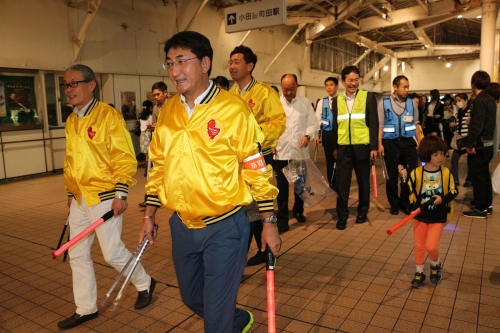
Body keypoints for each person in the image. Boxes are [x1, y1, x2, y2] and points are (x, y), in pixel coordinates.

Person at [138, 31, 280, 333]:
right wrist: (149, 215)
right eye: (169, 63)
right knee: (192, 298)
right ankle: (237, 319)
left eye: (181, 61)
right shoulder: (168, 112)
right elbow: (159, 164)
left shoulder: (233, 109)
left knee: (215, 321)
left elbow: (255, 167)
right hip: (183, 225)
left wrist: (269, 220)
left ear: (204, 63)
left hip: (226, 226)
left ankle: (225, 321)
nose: (175, 71)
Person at [59, 64, 155, 329]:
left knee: (111, 253)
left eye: (74, 83)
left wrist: (121, 193)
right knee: (77, 253)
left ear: (91, 84)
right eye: (66, 85)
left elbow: (123, 156)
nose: (69, 90)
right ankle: (85, 307)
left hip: (105, 196)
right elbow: (70, 159)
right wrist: (70, 190)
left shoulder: (108, 116)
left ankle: (145, 282)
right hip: (80, 199)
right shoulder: (71, 120)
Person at [228, 45, 286, 265]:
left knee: (262, 205)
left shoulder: (264, 92)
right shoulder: (230, 95)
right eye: (230, 62)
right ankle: (258, 247)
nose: (232, 66)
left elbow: (279, 122)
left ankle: (268, 248)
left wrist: (254, 135)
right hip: (237, 161)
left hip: (260, 157)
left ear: (249, 66)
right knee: (246, 207)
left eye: (237, 62)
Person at [399, 135, 458, 288]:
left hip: (438, 216)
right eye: (436, 154)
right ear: (426, 154)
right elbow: (407, 193)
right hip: (419, 216)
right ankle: (419, 272)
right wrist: (404, 178)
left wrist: (442, 199)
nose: (440, 157)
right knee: (419, 246)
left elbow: (454, 191)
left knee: (431, 246)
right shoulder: (417, 173)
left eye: (442, 153)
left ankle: (435, 264)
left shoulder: (446, 173)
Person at [330, 66, 378, 230]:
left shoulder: (368, 97)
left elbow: (373, 123)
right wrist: (335, 147)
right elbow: (335, 125)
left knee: (364, 183)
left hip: (362, 146)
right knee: (342, 184)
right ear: (343, 81)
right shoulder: (337, 100)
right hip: (344, 148)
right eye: (350, 80)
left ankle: (362, 213)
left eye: (356, 79)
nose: (354, 83)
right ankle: (342, 217)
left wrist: (374, 146)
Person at [274, 74, 318, 233]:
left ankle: (298, 210)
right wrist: (271, 142)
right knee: (282, 188)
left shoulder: (305, 103)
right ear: (281, 86)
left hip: (299, 152)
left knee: (300, 185)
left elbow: (313, 124)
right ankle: (283, 220)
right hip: (281, 152)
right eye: (285, 89)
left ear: (297, 86)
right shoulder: (275, 103)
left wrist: (307, 136)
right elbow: (270, 126)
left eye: (291, 89)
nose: (288, 92)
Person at [378, 75, 420, 216]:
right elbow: (380, 126)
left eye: (408, 87)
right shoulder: (384, 103)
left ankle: (406, 203)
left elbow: (416, 124)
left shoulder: (412, 103)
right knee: (392, 176)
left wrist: (419, 143)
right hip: (390, 143)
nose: (407, 90)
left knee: (411, 174)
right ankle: (394, 204)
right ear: (395, 87)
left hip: (408, 143)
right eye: (404, 87)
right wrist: (379, 144)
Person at [462, 71, 497, 218]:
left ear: (473, 84)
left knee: (478, 176)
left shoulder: (479, 100)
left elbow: (477, 125)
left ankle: (481, 208)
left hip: (480, 145)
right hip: (488, 144)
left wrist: (470, 144)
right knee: (484, 175)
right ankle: (487, 205)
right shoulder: (491, 99)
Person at [314, 77, 339, 187]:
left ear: (337, 86)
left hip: (340, 134)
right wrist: (316, 134)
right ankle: (332, 184)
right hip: (327, 134)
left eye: (331, 85)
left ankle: (341, 182)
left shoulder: (342, 100)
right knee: (329, 160)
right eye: (327, 85)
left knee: (340, 160)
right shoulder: (321, 102)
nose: (329, 87)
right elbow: (317, 119)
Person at [449, 93, 473, 187]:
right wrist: (452, 125)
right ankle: (455, 179)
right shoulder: (457, 113)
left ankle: (469, 180)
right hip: (459, 140)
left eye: (460, 100)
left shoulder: (471, 111)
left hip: (468, 139)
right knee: (454, 159)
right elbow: (454, 127)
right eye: (456, 101)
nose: (458, 103)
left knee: (470, 161)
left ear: (466, 100)